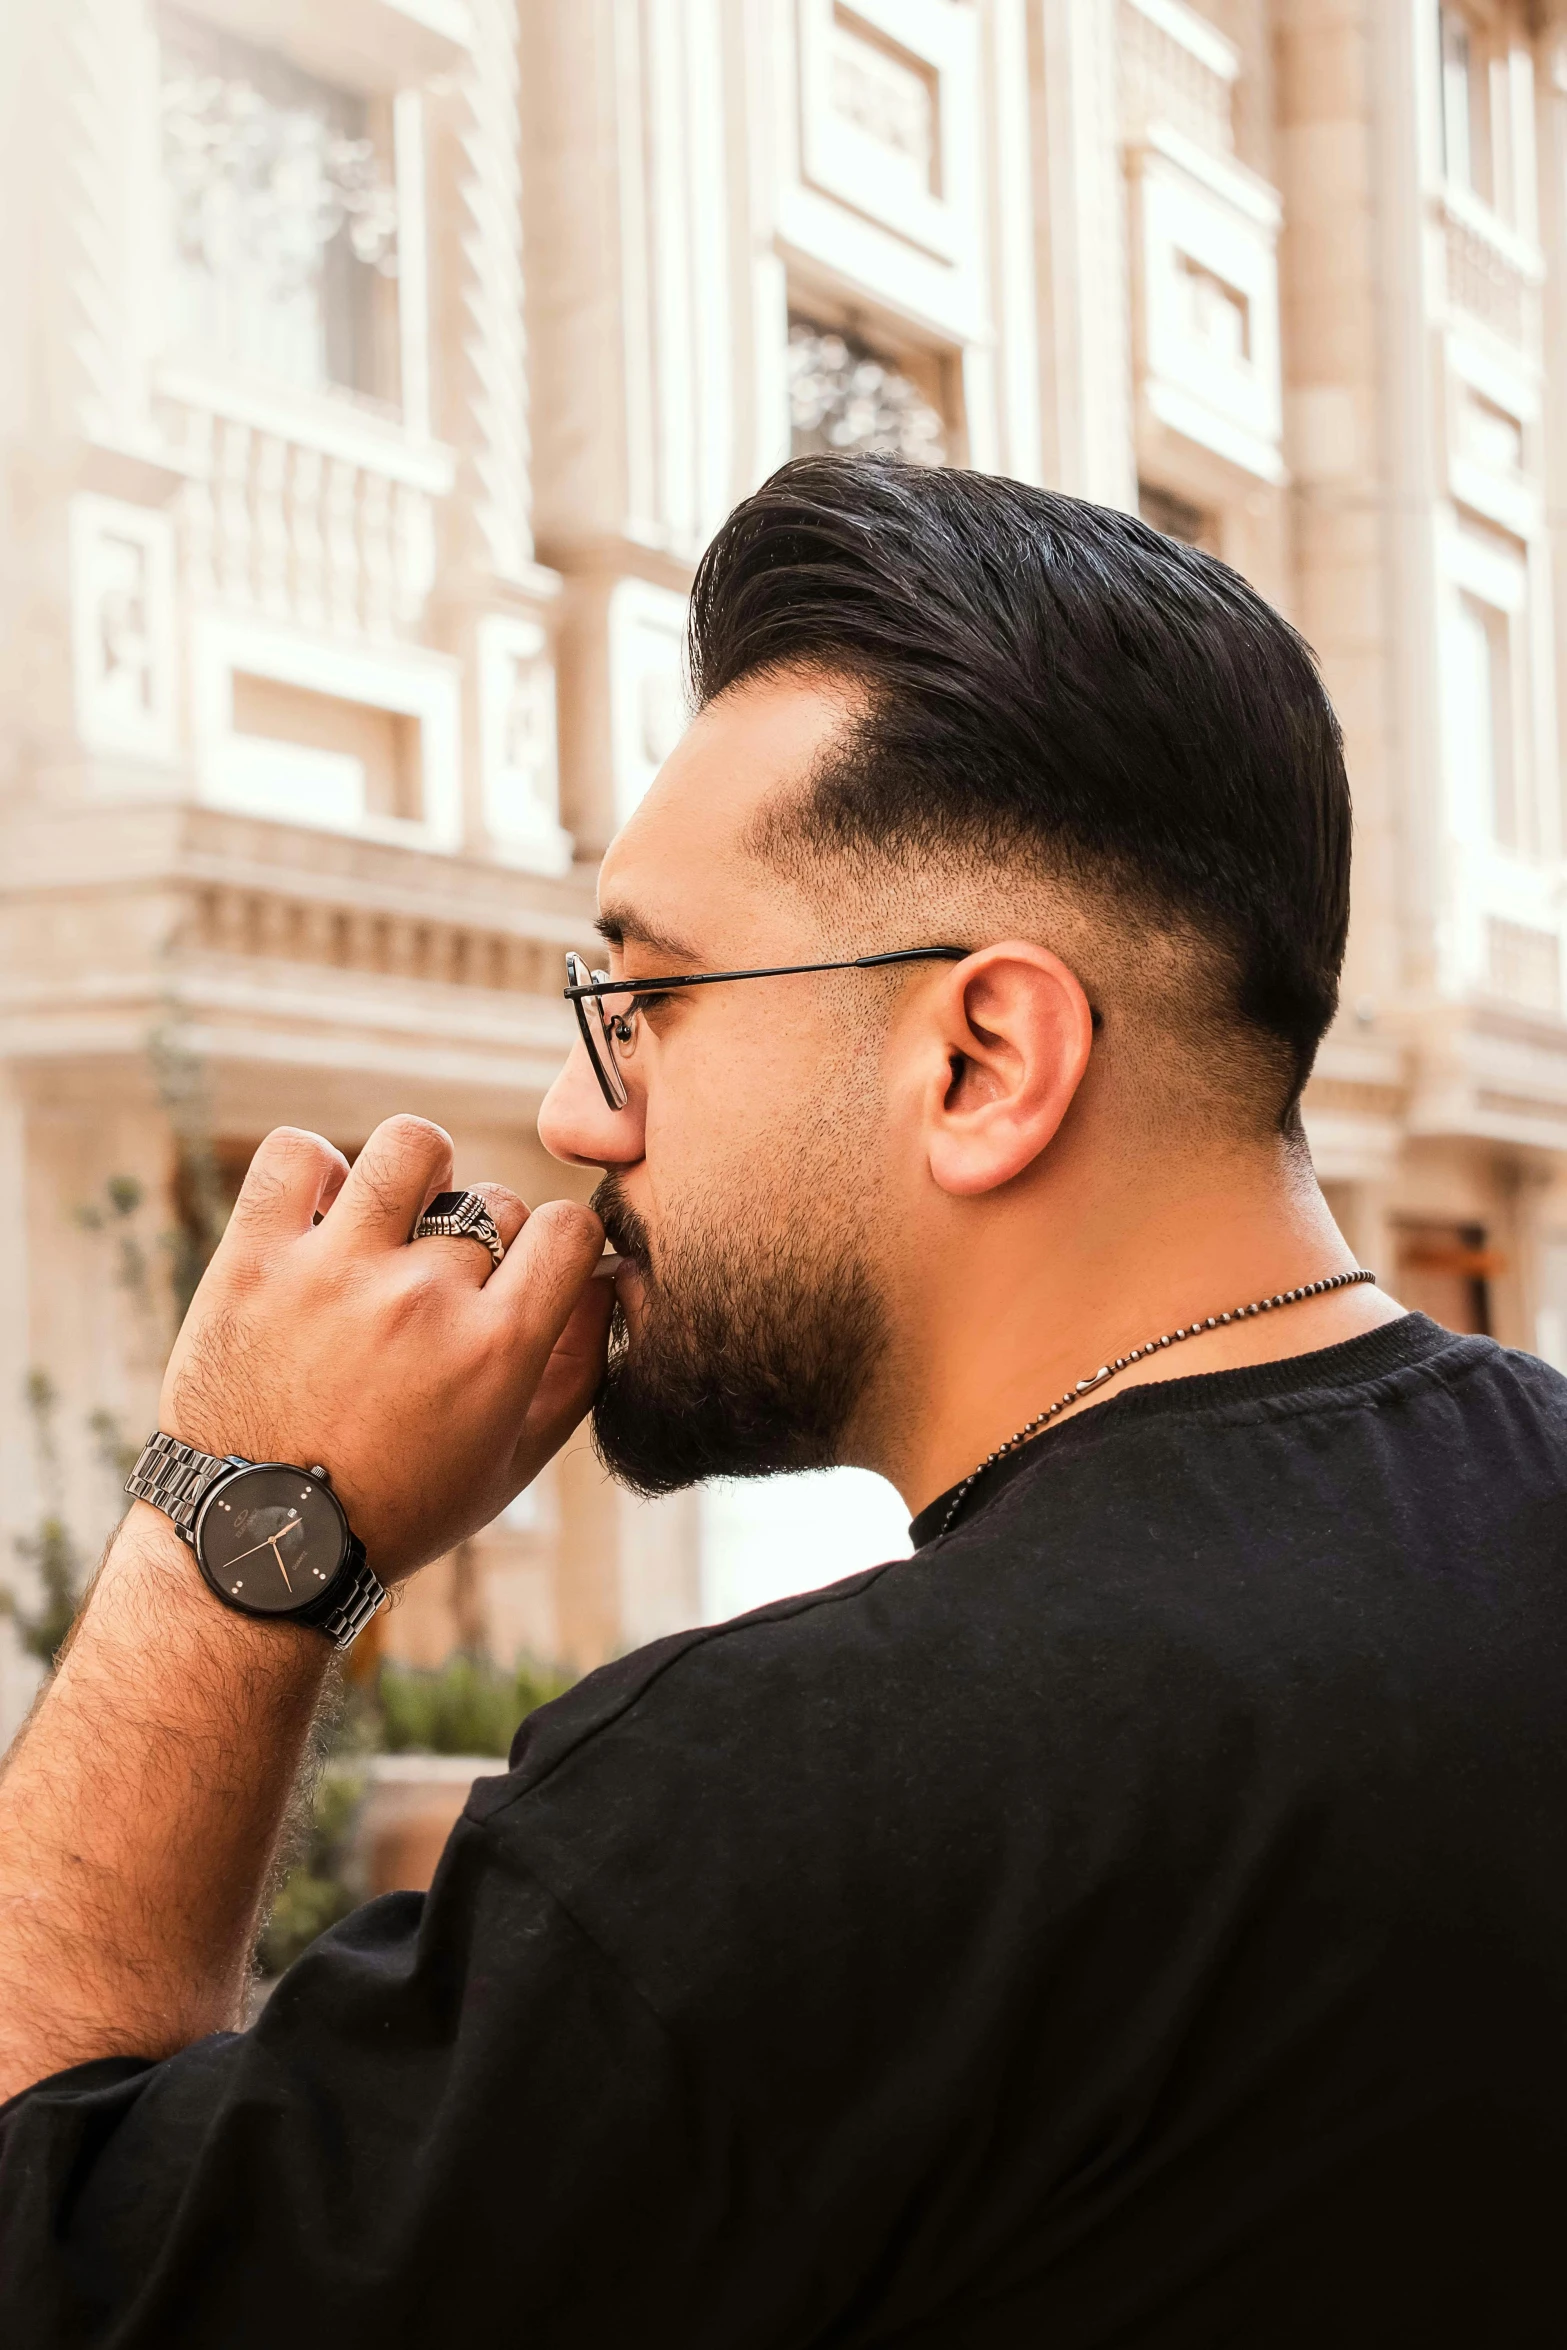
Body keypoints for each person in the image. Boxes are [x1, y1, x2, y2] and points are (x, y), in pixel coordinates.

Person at [0, 456, 1562, 2347]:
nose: (582, 1117)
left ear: (984, 1058)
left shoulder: (787, 1812)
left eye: (646, 999)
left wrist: (237, 1515)